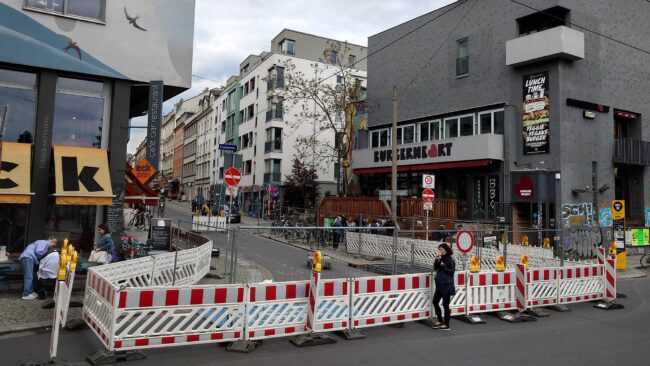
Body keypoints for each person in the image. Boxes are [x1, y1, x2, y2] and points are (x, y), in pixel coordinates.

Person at [433, 243, 456, 331]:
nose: (440, 251)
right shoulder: (441, 258)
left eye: (441, 249)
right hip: (439, 285)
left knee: (445, 305)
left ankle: (446, 325)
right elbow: (435, 268)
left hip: (446, 285)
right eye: (439, 250)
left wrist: (443, 266)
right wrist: (436, 260)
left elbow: (451, 272)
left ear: (446, 250)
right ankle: (440, 320)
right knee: (435, 302)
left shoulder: (450, 260)